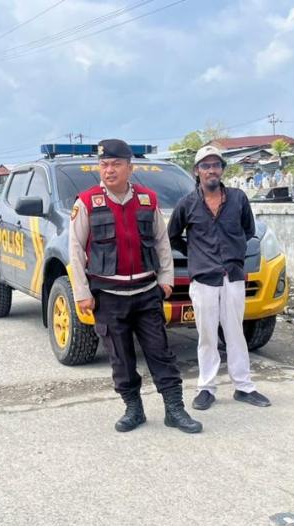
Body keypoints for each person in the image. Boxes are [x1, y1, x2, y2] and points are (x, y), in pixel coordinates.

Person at [68, 139, 202, 434]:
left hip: (145, 294)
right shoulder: (87, 202)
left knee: (160, 353)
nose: (109, 170)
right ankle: (133, 409)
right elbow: (75, 250)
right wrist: (82, 293)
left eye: (116, 164)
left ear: (130, 168)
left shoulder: (147, 200)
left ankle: (174, 410)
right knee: (121, 358)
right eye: (104, 164)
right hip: (108, 297)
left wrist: (166, 280)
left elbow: (162, 242)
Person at [168, 145, 271, 411]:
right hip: (203, 280)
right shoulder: (187, 204)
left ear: (222, 169)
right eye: (206, 165)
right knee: (207, 335)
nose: (211, 170)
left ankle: (244, 386)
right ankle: (206, 387)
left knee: (235, 333)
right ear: (197, 171)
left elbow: (248, 231)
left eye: (216, 165)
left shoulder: (238, 199)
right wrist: (196, 255)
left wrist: (234, 254)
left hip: (233, 277)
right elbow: (172, 236)